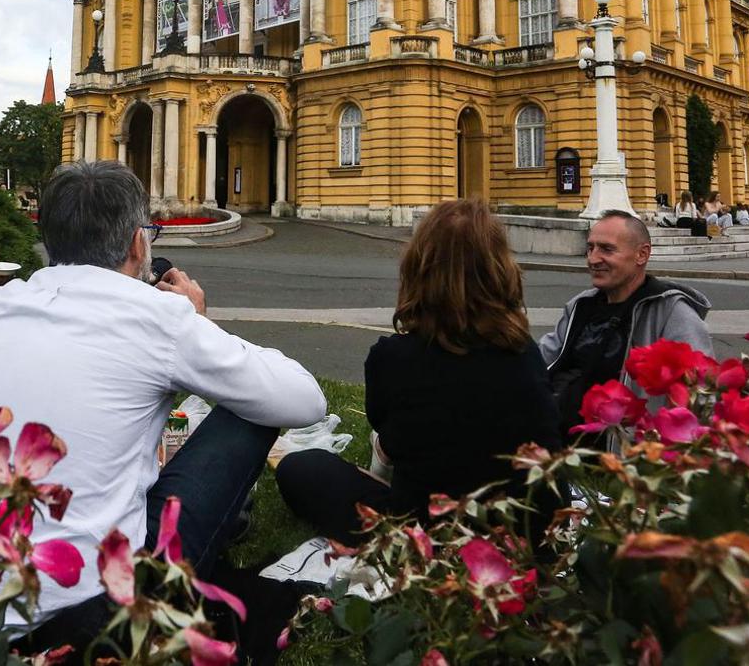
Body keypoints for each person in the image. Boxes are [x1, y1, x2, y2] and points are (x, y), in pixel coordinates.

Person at [0, 161, 325, 647]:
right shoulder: (157, 315)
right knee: (250, 413)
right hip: (88, 613)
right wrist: (197, 322)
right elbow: (304, 399)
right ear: (139, 243)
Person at [275, 201, 561, 544]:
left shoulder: (393, 357)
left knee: (300, 469)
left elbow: (389, 436)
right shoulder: (525, 353)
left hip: (430, 533)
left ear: (418, 268)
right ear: (500, 268)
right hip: (526, 533)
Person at [540, 211, 713, 436]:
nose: (593, 259)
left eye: (607, 249)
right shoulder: (580, 306)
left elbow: (701, 394)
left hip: (625, 457)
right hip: (563, 449)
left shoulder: (672, 313)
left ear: (642, 254)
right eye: (590, 248)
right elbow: (543, 360)